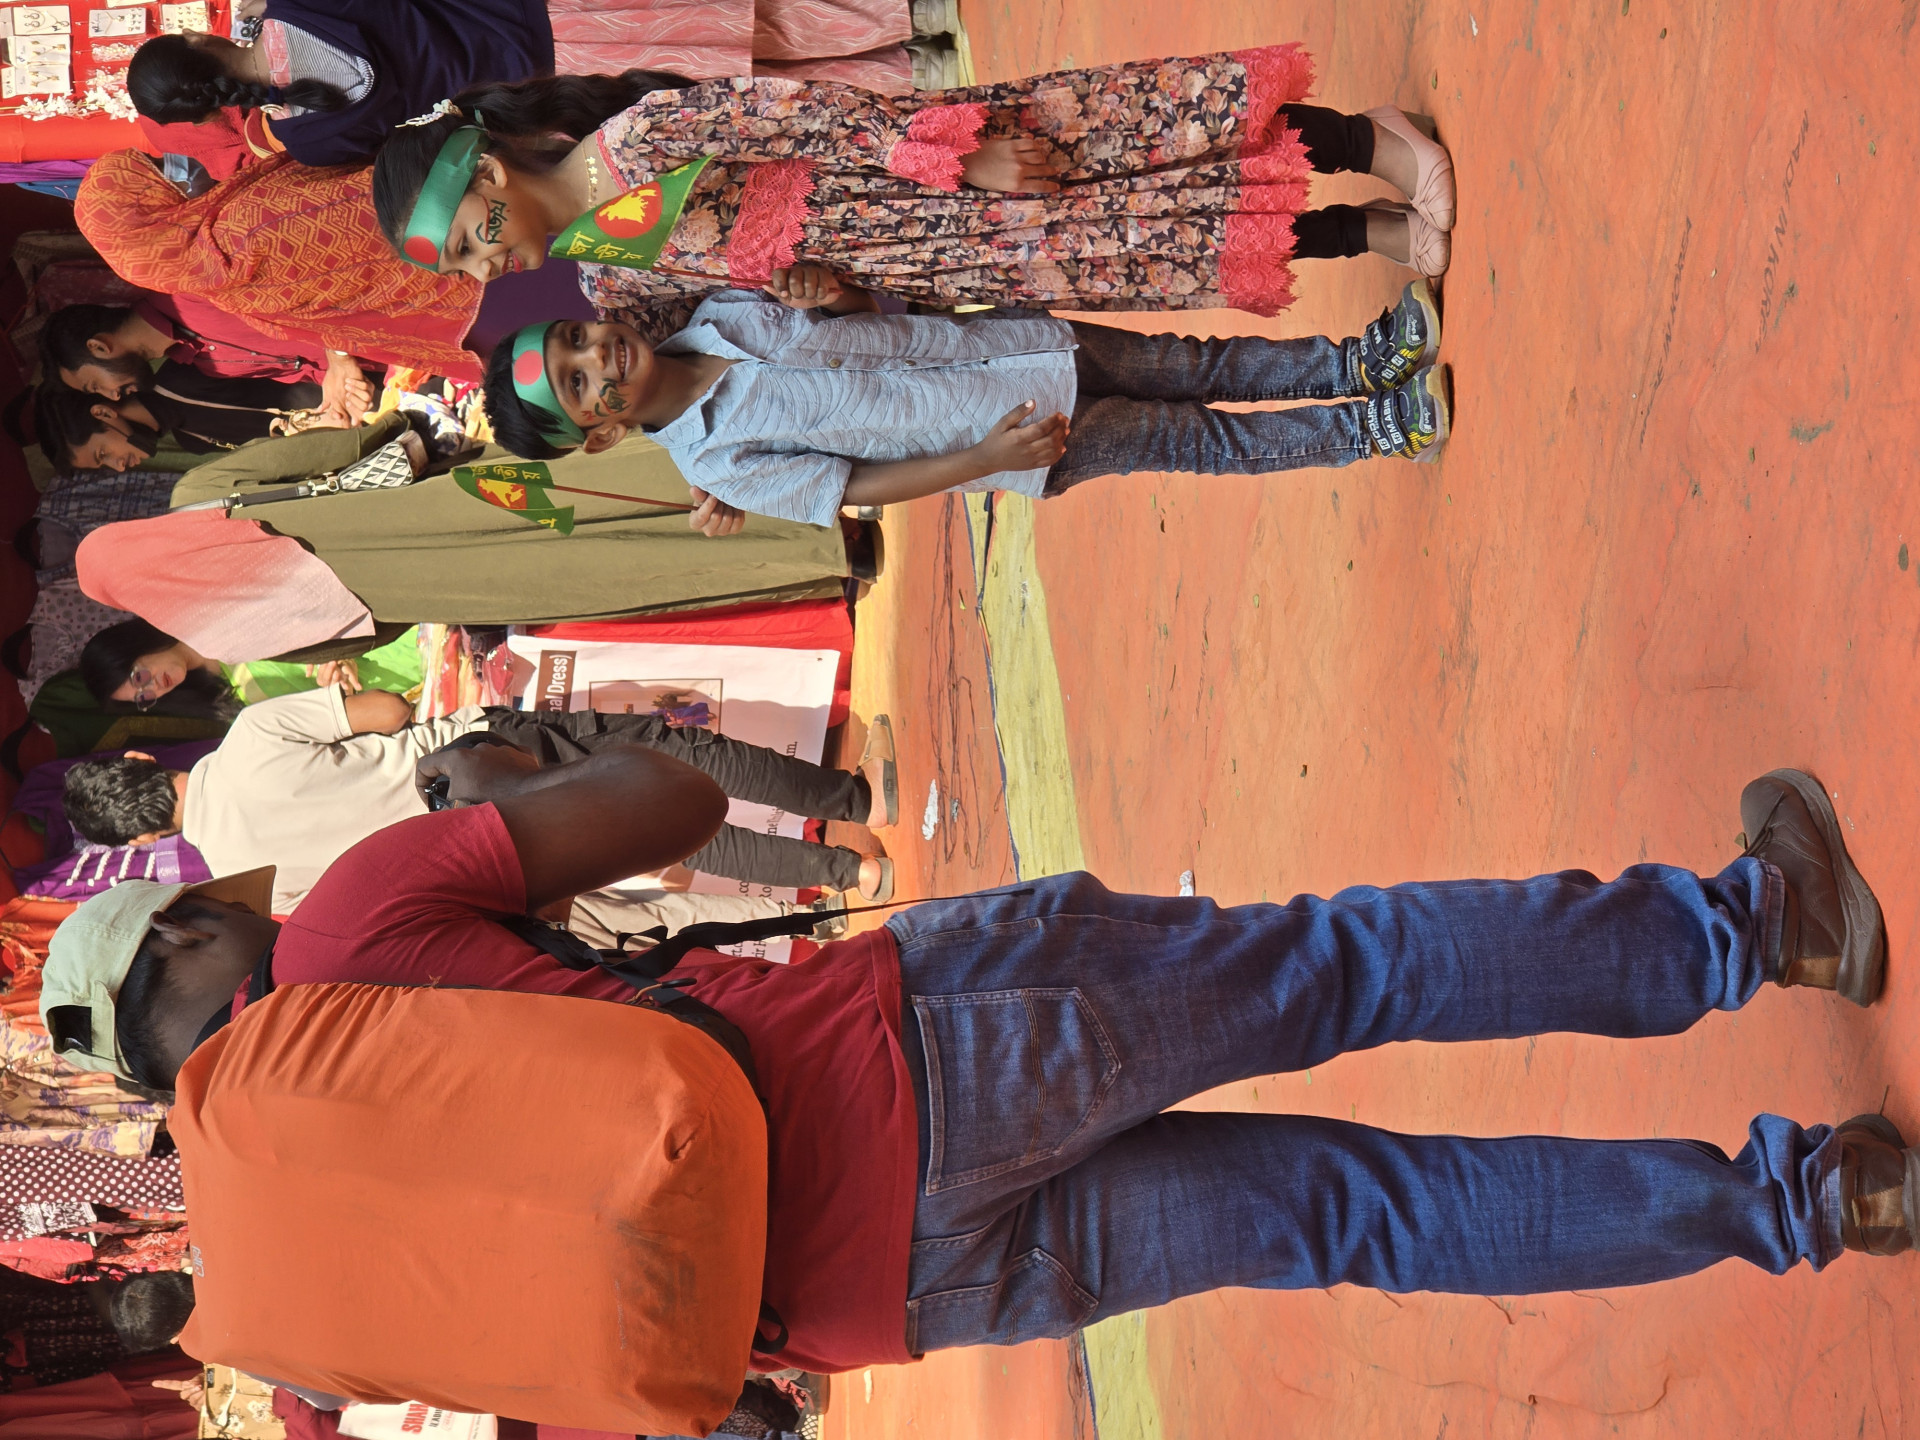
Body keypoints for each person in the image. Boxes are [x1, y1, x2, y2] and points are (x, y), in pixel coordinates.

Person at [35, 746, 1913, 1391]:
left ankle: (1819, 1200)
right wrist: (500, 807)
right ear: (188, 949)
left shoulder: (274, 1293)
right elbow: (671, 801)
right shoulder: (347, 934)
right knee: (1335, 970)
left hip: (889, 1300)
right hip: (916, 1061)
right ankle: (1763, 926)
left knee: (1360, 1218)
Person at [369, 48, 1457, 340]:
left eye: (468, 239)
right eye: (465, 268)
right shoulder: (607, 277)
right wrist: (818, 297)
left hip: (948, 174)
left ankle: (1372, 139)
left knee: (1149, 140)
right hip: (950, 260)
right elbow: (712, 331)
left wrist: (953, 159)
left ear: (490, 172)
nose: (483, 267)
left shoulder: (639, 140)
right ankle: (1361, 228)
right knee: (1161, 249)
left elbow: (803, 116)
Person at [484, 283, 1449, 527]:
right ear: (601, 433)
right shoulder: (717, 463)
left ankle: (1360, 360)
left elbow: (861, 326)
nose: (595, 355)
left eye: (573, 338)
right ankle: (1372, 426)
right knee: (1192, 439)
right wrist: (988, 461)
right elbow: (856, 488)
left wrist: (836, 295)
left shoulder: (717, 315)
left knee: (1192, 361)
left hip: (1011, 344)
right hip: (1015, 436)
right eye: (578, 384)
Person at [74, 413, 865, 667]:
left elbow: (356, 641)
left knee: (621, 570)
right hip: (450, 502)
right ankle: (818, 479)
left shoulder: (215, 630)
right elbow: (322, 452)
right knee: (603, 488)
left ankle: (830, 555)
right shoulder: (197, 501)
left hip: (456, 587)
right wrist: (393, 431)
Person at [57, 683, 898, 911]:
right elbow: (387, 713)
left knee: (657, 832)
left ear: (142, 843)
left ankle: (846, 873)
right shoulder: (249, 737)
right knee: (672, 754)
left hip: (486, 845)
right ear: (141, 758)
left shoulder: (240, 879)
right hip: (481, 757)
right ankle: (855, 800)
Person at [74, 149, 483, 382]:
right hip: (476, 244)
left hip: (464, 304)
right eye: (157, 170)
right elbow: (382, 205)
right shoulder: (242, 230)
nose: (175, 165)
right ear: (152, 216)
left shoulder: (227, 284)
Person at [40, 299, 372, 427]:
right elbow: (311, 369)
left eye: (95, 385)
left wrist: (340, 356)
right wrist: (341, 398)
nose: (113, 396)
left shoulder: (187, 293)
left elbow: (305, 286)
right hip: (385, 360)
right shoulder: (207, 366)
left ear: (99, 347)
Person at [79, 618, 422, 713]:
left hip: (401, 626)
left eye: (140, 677)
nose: (154, 687)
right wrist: (332, 691)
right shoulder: (237, 705)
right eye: (143, 697)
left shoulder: (224, 616)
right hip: (413, 681)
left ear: (136, 646)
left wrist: (331, 649)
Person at [33, 376, 331, 472]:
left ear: (104, 414)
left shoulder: (186, 376)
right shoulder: (192, 441)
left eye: (103, 454)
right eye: (105, 466)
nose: (119, 466)